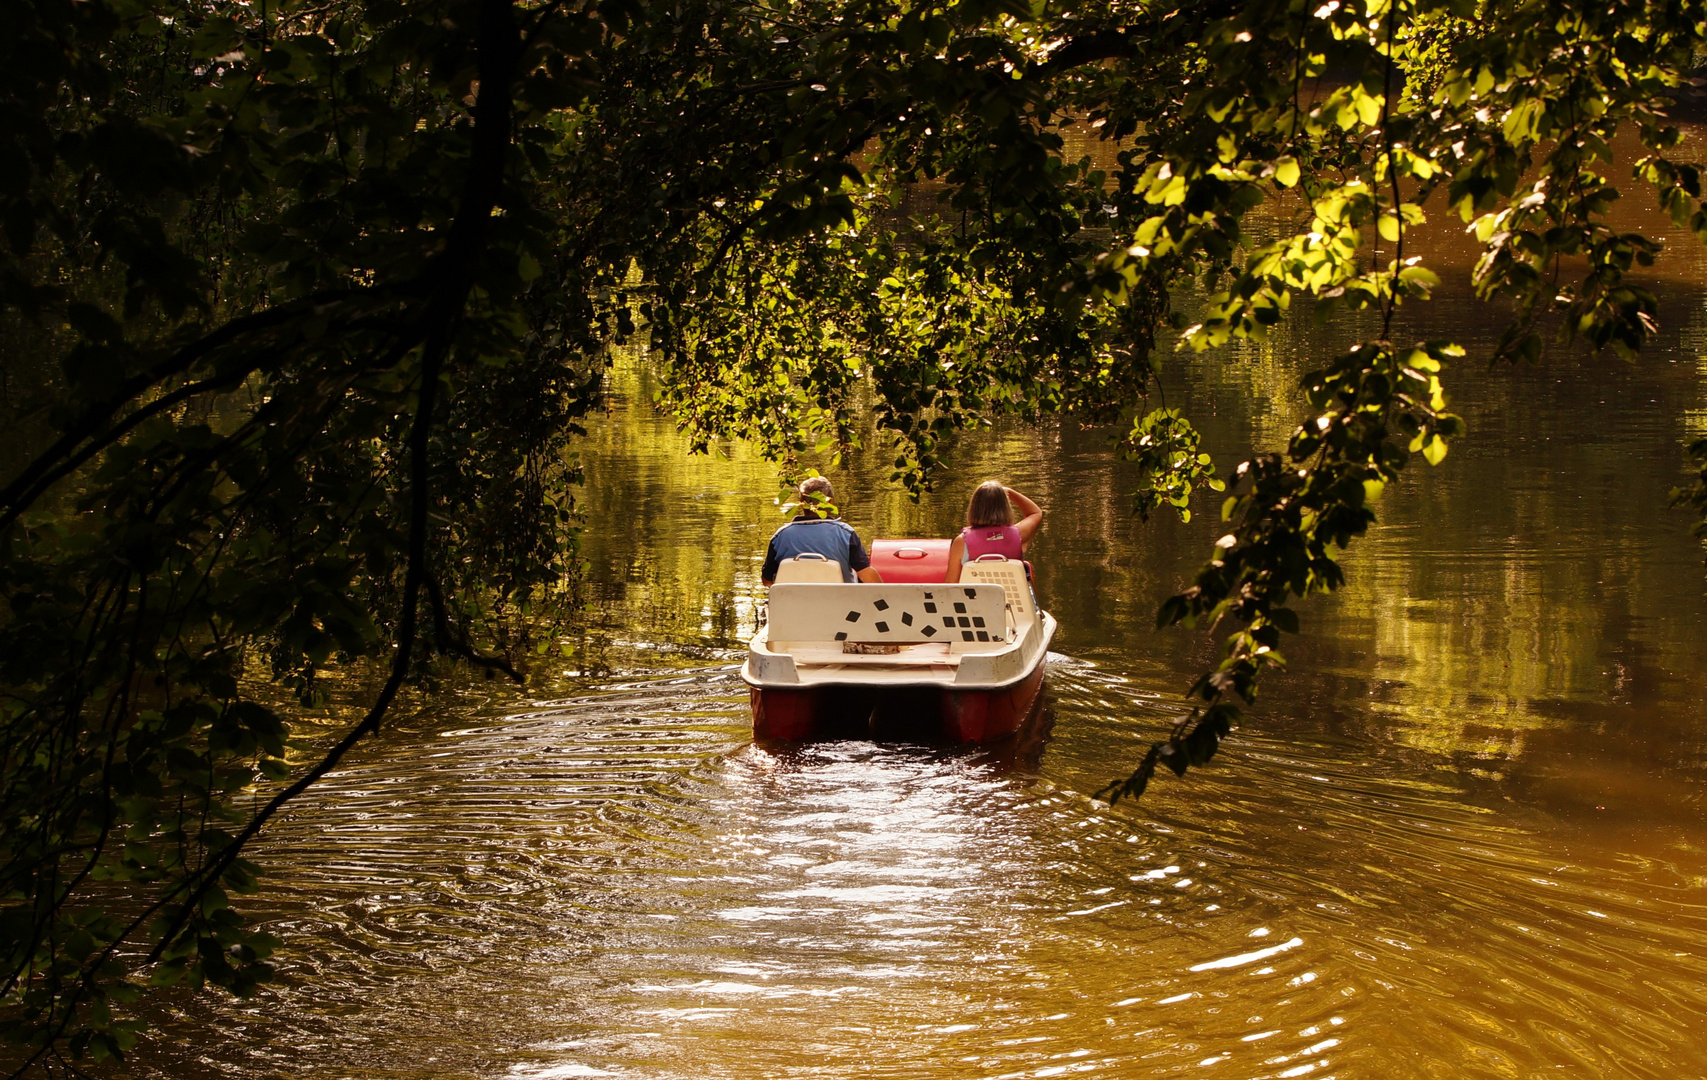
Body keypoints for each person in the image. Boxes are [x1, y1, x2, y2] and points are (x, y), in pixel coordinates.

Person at [760, 477, 883, 585]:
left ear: (801, 504)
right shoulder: (845, 534)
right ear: (830, 502)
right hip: (840, 605)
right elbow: (866, 575)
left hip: (793, 605)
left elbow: (767, 581)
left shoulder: (781, 536)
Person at [945, 482, 1042, 583]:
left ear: (974, 508)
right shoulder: (1019, 534)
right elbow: (1036, 512)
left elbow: (950, 585)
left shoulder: (961, 541)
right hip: (1013, 597)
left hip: (977, 598)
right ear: (1005, 507)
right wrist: (1010, 492)